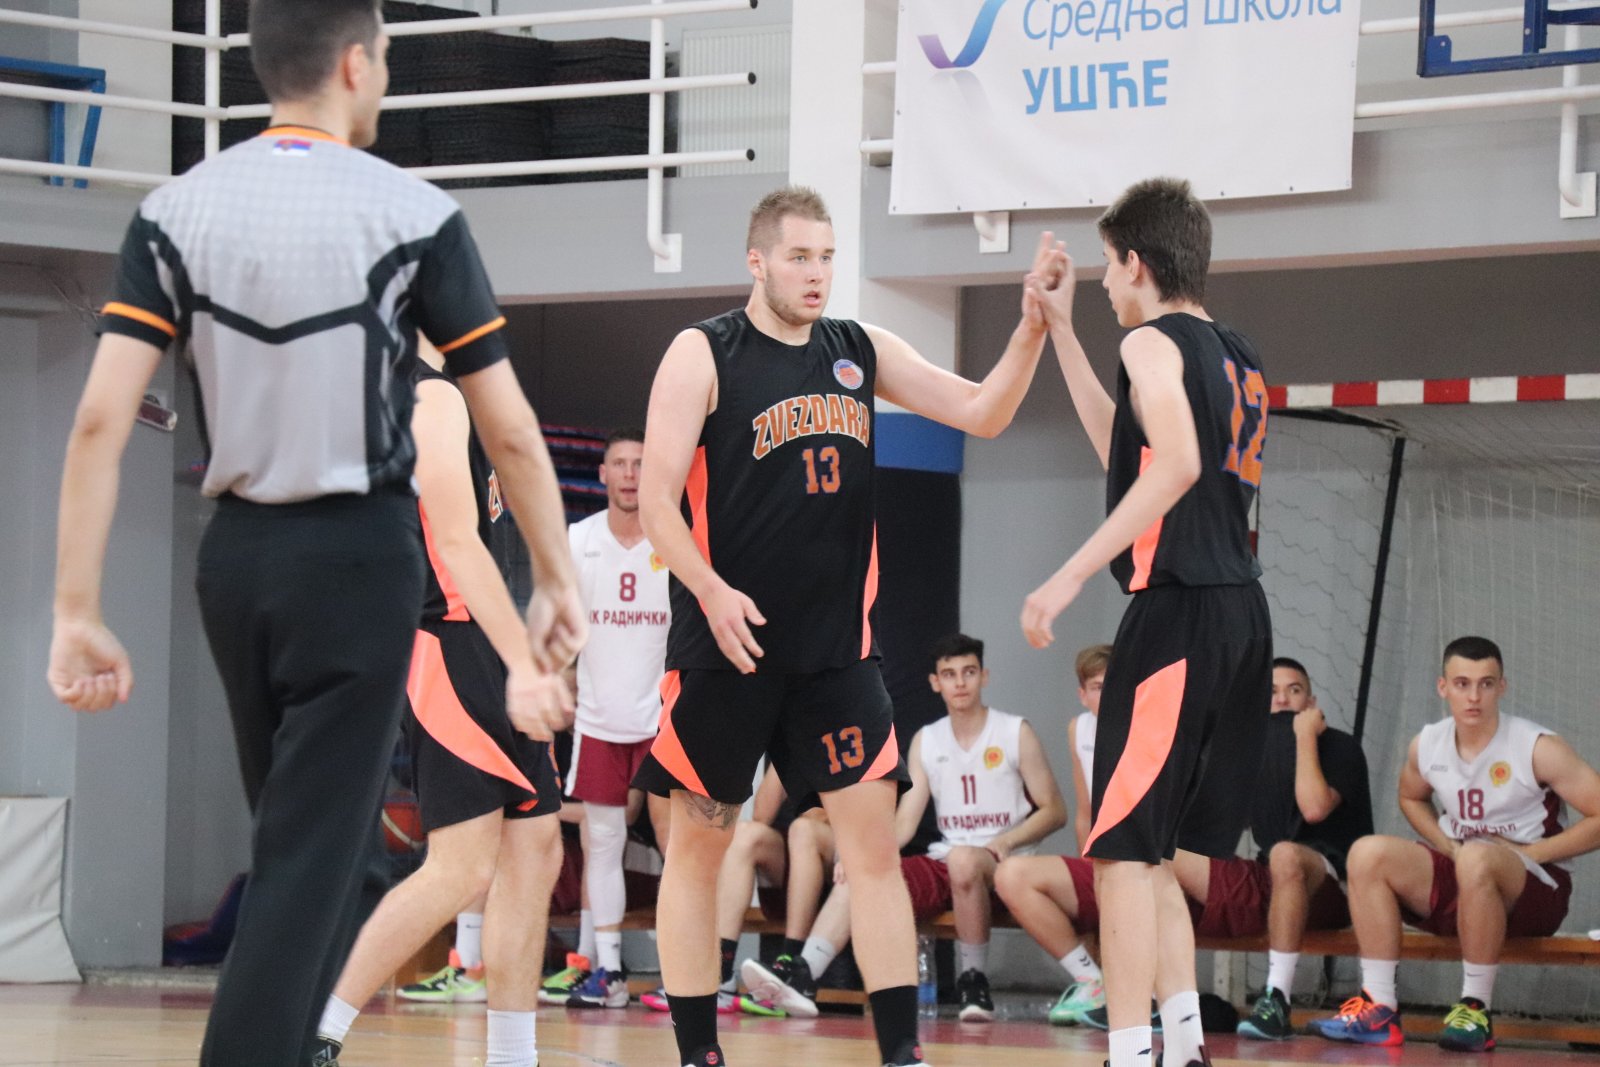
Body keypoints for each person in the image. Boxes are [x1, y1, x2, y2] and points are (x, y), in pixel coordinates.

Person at [45, 3, 584, 1063]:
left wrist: (75, 607)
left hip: (237, 561)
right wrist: (556, 581)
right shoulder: (414, 211)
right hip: (356, 558)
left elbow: (101, 420)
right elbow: (513, 430)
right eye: (384, 57)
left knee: (316, 848)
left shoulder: (173, 207)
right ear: (353, 64)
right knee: (311, 864)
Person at [634, 185, 1058, 1067]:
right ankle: (697, 1051)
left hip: (838, 657)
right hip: (727, 648)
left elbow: (983, 411)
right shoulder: (702, 352)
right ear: (757, 261)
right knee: (701, 853)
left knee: (872, 856)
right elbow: (659, 501)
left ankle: (901, 1050)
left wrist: (1028, 331)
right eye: (799, 257)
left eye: (827, 257)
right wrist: (708, 588)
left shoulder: (859, 348)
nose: (816, 273)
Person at [1020, 177, 1274, 1067]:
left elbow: (1174, 467)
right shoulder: (1234, 352)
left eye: (1105, 263)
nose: (1100, 281)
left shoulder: (1150, 342)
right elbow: (1129, 456)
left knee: (1123, 855)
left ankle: (1130, 1051)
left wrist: (1066, 576)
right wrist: (1061, 334)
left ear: (1137, 262)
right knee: (1154, 852)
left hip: (1178, 612)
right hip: (1243, 615)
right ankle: (1183, 1042)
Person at [313, 339, 567, 1066]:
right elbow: (455, 545)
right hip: (450, 643)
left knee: (536, 849)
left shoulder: (434, 394)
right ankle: (317, 1030)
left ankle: (512, 1055)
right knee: (462, 866)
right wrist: (523, 660)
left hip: (477, 639)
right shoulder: (429, 395)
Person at [743, 633, 1066, 1023]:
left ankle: (973, 980)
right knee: (864, 872)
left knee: (965, 861)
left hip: (1004, 863)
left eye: (968, 672)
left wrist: (1007, 840)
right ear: (935, 682)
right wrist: (861, 855)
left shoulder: (1015, 732)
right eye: (949, 674)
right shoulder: (927, 740)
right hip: (949, 860)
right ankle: (803, 976)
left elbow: (1054, 810)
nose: (960, 683)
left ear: (984, 676)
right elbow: (906, 823)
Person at [1311, 636, 1600, 1053]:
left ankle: (1475, 1009)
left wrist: (1531, 853)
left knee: (1478, 857)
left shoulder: (1537, 747)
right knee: (1366, 853)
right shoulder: (1428, 744)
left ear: (1502, 687)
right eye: (1462, 684)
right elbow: (1411, 797)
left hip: (1535, 888)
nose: (1474, 696)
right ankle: (1379, 1007)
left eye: (1486, 684)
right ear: (1443, 687)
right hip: (1465, 872)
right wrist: (1445, 844)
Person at [561, 428, 673, 1009]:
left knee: (680, 850)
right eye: (621, 464)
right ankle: (608, 972)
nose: (631, 474)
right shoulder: (579, 540)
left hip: (662, 721)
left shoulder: (675, 539)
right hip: (599, 720)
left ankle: (684, 975)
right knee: (602, 844)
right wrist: (557, 678)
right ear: (603, 474)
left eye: (640, 464)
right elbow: (559, 624)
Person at [1213, 657, 1374, 1040]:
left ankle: (1276, 999)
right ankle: (1165, 1000)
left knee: (1285, 854)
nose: (1283, 699)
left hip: (1332, 888)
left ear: (1311, 703)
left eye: (1294, 690)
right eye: (1271, 692)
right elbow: (1222, 826)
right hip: (1271, 880)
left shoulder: (1341, 747)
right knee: (1168, 857)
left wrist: (1304, 737)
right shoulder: (1252, 753)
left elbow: (1314, 808)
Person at [993, 643, 1113, 1026]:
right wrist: (1091, 873)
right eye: (1097, 687)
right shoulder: (1079, 729)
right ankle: (1091, 981)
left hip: (1149, 864)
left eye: (1115, 685)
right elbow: (1084, 813)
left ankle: (1151, 996)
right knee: (1010, 875)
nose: (1107, 695)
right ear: (1082, 694)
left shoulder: (1146, 728)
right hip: (1103, 860)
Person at [640, 764, 795, 1016]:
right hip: (788, 861)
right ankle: (721, 973)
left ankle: (795, 963)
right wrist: (787, 754)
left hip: (837, 854)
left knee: (805, 832)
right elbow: (762, 815)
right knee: (745, 836)